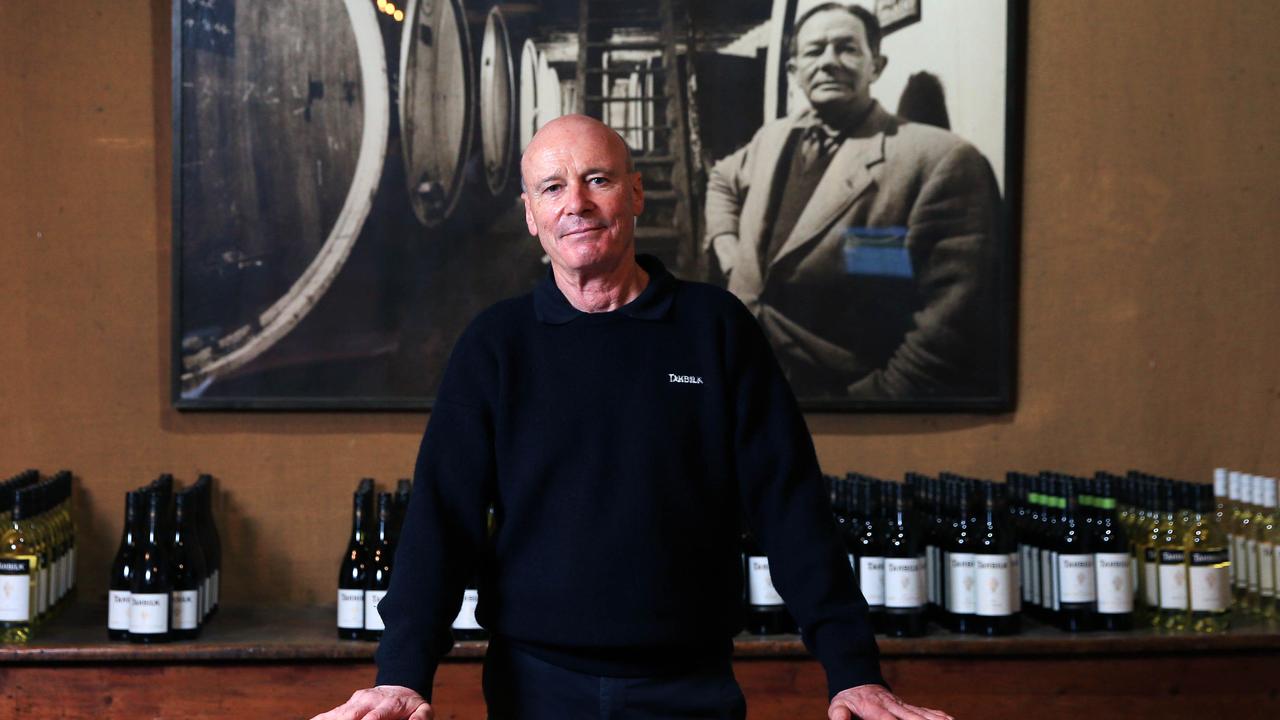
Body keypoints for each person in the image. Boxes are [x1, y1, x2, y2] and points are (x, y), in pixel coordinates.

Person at [311, 115, 952, 720]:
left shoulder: (716, 328)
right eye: (552, 188)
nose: (577, 204)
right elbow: (440, 522)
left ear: (635, 192)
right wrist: (401, 673)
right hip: (532, 688)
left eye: (598, 179)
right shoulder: (496, 344)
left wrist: (853, 669)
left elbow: (790, 507)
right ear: (531, 216)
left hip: (690, 686)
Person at [705, 3, 1003, 401]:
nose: (828, 62)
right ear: (794, 71)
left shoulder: (940, 160)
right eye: (814, 51)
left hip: (836, 393)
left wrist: (867, 405)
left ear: (876, 65)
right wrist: (729, 249)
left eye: (846, 48)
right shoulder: (773, 138)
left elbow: (949, 328)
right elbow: (722, 178)